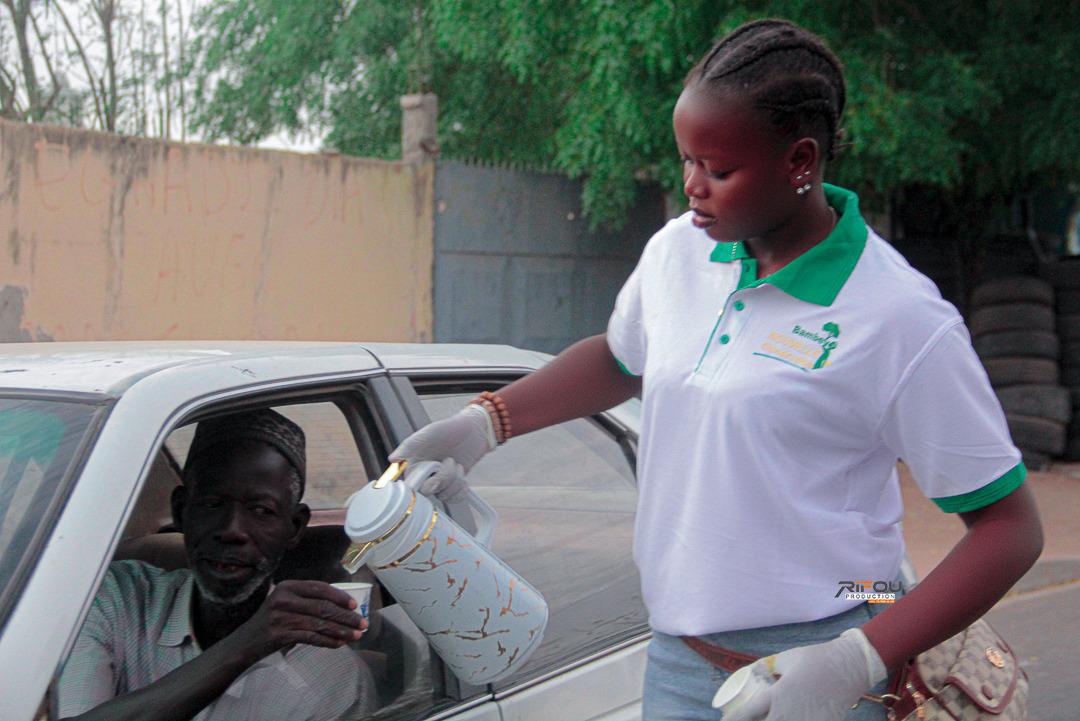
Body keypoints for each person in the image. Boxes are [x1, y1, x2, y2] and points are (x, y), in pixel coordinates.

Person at [391, 19, 1044, 721]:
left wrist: (858, 657)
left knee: (866, 602)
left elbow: (1010, 528)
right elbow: (622, 358)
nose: (692, 186)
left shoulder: (899, 317)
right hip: (679, 660)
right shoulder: (679, 253)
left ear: (800, 162)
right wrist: (488, 420)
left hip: (820, 664)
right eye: (685, 159)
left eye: (718, 169)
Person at [58, 409, 375, 721]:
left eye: (261, 510)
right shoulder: (119, 598)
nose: (232, 530)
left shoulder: (332, 676)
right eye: (211, 504)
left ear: (293, 527)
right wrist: (248, 643)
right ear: (181, 511)